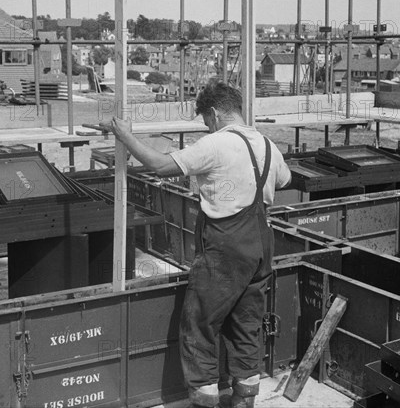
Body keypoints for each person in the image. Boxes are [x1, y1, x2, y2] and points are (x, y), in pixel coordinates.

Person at [101, 80, 291, 408]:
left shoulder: (216, 144)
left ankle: (204, 401)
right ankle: (244, 402)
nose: (206, 125)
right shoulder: (266, 144)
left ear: (215, 113)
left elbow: (161, 165)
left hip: (226, 248)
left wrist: (126, 136)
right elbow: (285, 179)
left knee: (199, 323)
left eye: (205, 120)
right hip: (262, 245)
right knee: (247, 324)